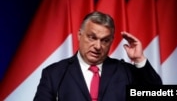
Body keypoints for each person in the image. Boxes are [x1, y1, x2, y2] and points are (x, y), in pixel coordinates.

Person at [34, 11, 162, 101]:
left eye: (105, 40)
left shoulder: (125, 72)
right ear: (80, 35)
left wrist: (139, 60)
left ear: (111, 41)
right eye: (92, 38)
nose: (98, 46)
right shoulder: (54, 74)